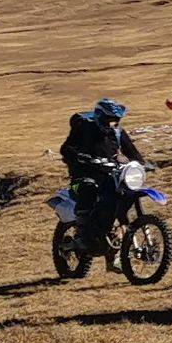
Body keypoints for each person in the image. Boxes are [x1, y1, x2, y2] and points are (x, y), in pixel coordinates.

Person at [60, 98, 146, 259]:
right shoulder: (84, 128)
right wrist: (81, 157)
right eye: (109, 120)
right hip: (84, 175)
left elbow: (132, 153)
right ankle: (83, 236)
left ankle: (113, 250)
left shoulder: (118, 132)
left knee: (122, 195)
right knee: (89, 190)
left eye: (116, 121)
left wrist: (142, 164)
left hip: (110, 176)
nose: (112, 124)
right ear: (100, 117)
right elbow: (66, 149)